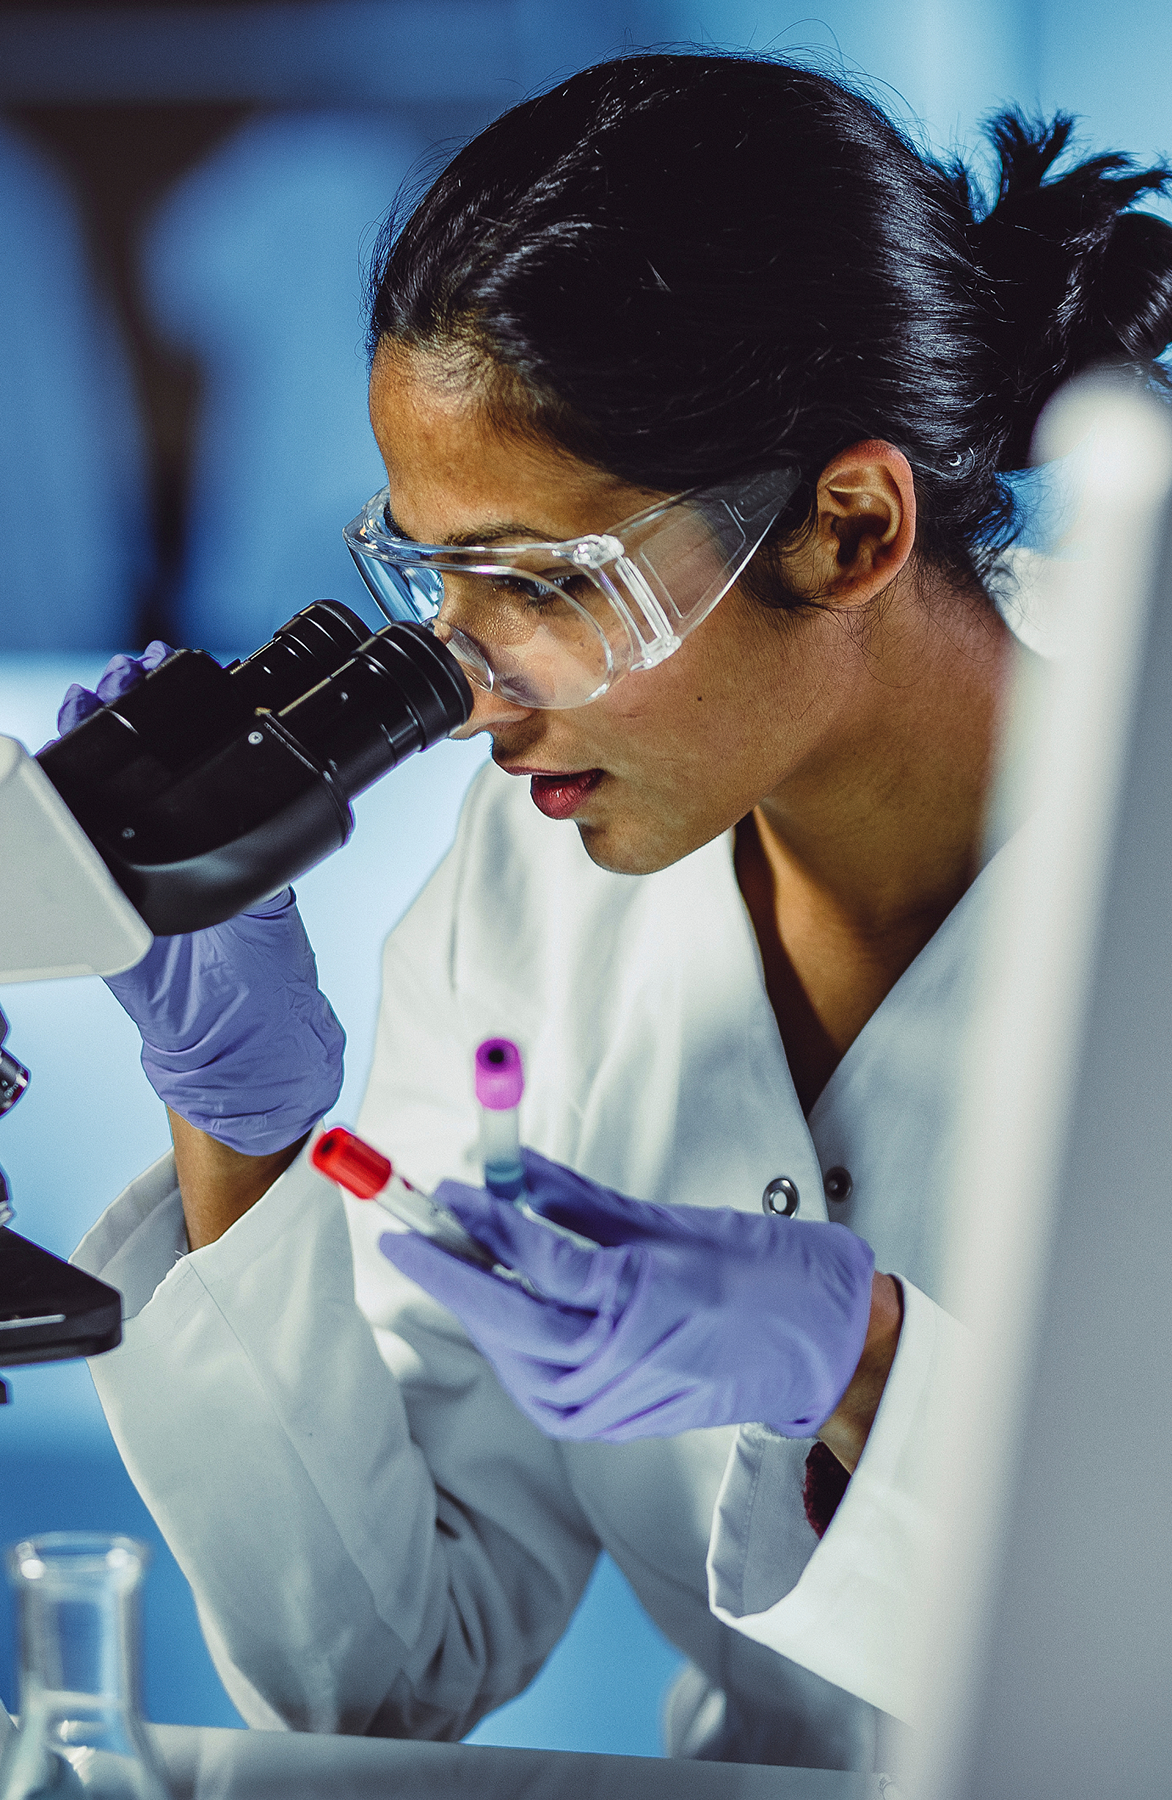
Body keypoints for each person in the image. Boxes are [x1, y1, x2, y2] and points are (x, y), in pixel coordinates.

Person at [67, 55, 1172, 1770]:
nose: (475, 695)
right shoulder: (529, 884)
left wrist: (869, 1369)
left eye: (542, 584)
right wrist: (249, 1142)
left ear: (848, 525)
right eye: (432, 574)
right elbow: (386, 1680)